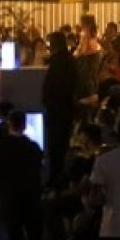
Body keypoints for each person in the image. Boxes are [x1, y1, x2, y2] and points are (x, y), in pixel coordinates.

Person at [0, 111, 47, 240]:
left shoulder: (1, 147)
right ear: (23, 125)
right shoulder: (33, 147)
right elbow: (40, 173)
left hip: (10, 199)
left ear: (9, 124)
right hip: (32, 199)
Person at [43, 31, 78, 183]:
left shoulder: (57, 62)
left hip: (57, 109)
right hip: (67, 108)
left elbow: (54, 86)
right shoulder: (70, 60)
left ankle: (56, 180)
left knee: (55, 146)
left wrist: (47, 100)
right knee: (62, 145)